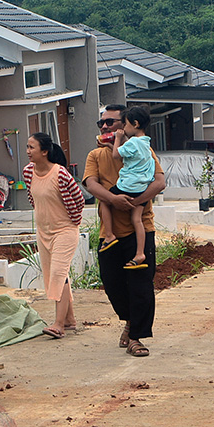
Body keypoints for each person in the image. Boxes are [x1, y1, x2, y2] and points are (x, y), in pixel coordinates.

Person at [83, 105, 166, 358]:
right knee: (113, 284)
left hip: (140, 228)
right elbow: (90, 184)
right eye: (102, 123)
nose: (105, 127)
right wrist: (113, 199)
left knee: (141, 286)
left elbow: (160, 182)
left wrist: (136, 201)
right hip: (110, 234)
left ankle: (136, 337)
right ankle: (129, 321)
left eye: (111, 122)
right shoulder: (95, 155)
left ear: (127, 125)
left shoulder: (143, 148)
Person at [22, 132, 85, 339]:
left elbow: (79, 200)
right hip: (44, 231)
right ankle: (70, 319)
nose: (28, 151)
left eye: (32, 147)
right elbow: (33, 199)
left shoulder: (61, 174)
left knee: (58, 273)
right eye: (28, 147)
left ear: (45, 151)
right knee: (54, 275)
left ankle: (58, 324)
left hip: (65, 230)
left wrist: (73, 223)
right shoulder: (28, 172)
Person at [97, 105, 155, 269]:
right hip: (141, 187)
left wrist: (117, 139)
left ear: (135, 124)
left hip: (128, 185)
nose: (124, 128)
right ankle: (140, 254)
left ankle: (109, 236)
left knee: (105, 200)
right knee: (137, 220)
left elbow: (116, 155)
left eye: (126, 125)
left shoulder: (133, 142)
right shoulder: (145, 143)